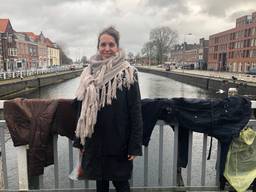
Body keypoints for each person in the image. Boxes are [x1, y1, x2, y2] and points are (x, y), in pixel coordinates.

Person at [73, 26, 143, 192]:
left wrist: (134, 145)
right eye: (103, 44)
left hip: (120, 141)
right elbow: (80, 107)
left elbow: (135, 110)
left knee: (121, 184)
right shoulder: (89, 72)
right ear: (98, 46)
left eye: (111, 45)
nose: (107, 49)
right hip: (95, 141)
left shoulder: (128, 72)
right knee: (100, 183)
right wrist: (80, 140)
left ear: (117, 47)